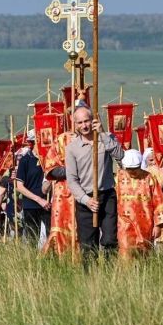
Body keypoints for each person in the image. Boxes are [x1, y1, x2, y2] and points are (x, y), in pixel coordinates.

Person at [65, 106, 125, 261]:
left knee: (110, 240)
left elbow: (120, 156)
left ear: (93, 120)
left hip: (107, 196)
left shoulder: (106, 138)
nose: (84, 126)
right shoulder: (72, 148)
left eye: (87, 121)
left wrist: (103, 134)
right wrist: (86, 200)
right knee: (88, 246)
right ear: (75, 124)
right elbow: (71, 180)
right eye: (80, 123)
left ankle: (110, 275)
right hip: (86, 200)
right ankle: (91, 279)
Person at [115, 149, 163, 259]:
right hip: (124, 225)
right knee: (126, 255)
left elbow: (159, 202)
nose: (132, 172)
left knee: (145, 255)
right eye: (130, 169)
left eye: (135, 168)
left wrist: (158, 225)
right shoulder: (118, 178)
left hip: (146, 225)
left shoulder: (149, 178)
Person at [41, 131, 78, 256]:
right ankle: (60, 257)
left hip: (87, 192)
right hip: (64, 193)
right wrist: (74, 169)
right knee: (59, 227)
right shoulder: (62, 140)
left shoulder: (93, 138)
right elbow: (51, 169)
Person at [16, 130, 51, 246]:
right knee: (32, 239)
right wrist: (39, 200)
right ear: (32, 143)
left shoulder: (49, 158)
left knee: (50, 238)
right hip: (31, 205)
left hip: (49, 204)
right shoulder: (25, 160)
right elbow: (19, 187)